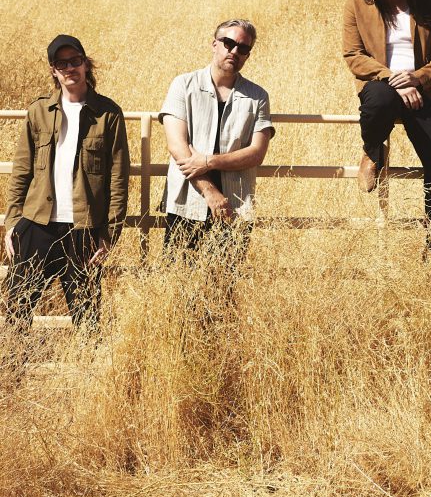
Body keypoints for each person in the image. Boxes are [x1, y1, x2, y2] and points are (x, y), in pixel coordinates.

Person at [3, 35, 130, 333]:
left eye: (75, 61)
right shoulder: (38, 111)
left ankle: (84, 363)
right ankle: (17, 363)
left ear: (86, 64)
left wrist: (108, 235)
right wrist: (13, 222)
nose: (70, 68)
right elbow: (21, 170)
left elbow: (118, 179)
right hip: (37, 224)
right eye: (62, 63)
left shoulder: (108, 114)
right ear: (53, 70)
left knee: (87, 319)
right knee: (16, 311)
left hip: (84, 229)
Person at [343, 0, 431, 256]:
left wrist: (418, 78)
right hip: (382, 85)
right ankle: (372, 150)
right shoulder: (358, 3)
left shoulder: (430, 2)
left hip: (422, 93)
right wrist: (393, 77)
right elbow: (353, 55)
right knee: (379, 99)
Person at [159, 19, 274, 270]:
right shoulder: (183, 84)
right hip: (187, 203)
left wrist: (208, 161)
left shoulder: (258, 96)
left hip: (234, 208)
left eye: (243, 48)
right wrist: (210, 192)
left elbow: (257, 153)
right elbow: (177, 145)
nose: (234, 51)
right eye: (228, 43)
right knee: (178, 280)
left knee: (223, 286)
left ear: (248, 55)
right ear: (214, 44)